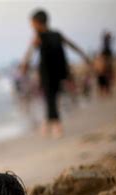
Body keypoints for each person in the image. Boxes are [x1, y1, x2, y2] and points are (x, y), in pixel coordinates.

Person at [22, 9, 91, 138]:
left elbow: (30, 52)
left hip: (48, 72)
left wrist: (25, 64)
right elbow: (72, 45)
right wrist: (84, 55)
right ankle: (49, 123)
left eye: (32, 23)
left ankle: (56, 125)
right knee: (52, 97)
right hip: (58, 71)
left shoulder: (40, 36)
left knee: (51, 97)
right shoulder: (55, 34)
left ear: (38, 23)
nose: (31, 26)